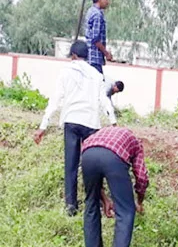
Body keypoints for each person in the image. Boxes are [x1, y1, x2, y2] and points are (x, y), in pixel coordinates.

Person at [33, 40, 117, 216]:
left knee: (71, 165)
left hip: (71, 120)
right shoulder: (95, 74)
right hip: (91, 123)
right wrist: (113, 122)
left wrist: (43, 126)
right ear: (86, 56)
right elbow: (104, 100)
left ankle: (71, 205)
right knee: (92, 164)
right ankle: (93, 202)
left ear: (73, 56)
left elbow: (55, 100)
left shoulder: (65, 72)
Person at [80, 126, 148, 247]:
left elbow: (96, 182)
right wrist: (139, 201)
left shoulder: (101, 133)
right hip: (113, 157)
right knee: (126, 212)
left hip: (87, 153)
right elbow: (141, 177)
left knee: (91, 204)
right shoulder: (135, 142)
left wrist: (105, 200)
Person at [85, 0, 112, 74]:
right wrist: (106, 53)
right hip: (94, 58)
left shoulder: (90, 11)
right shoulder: (97, 15)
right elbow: (95, 39)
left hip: (89, 56)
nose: (107, 2)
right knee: (98, 84)